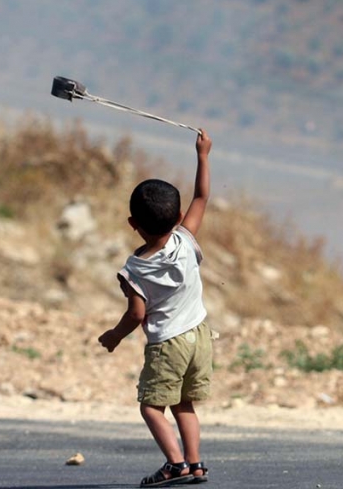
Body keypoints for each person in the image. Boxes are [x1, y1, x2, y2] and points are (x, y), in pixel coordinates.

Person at [98, 129, 213, 487]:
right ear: (177, 215)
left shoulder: (133, 270)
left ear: (133, 224)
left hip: (168, 345)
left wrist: (114, 337)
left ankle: (175, 464)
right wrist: (203, 155)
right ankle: (195, 464)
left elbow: (137, 314)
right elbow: (203, 196)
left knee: (151, 406)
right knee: (184, 404)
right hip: (201, 336)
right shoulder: (186, 238)